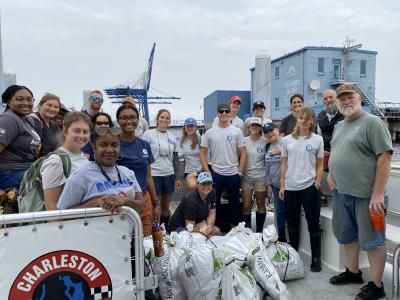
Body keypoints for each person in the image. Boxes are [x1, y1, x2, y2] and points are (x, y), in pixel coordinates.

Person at [327, 84, 392, 300]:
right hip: (341, 193)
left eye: (350, 97)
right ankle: (353, 272)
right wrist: (331, 174)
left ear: (359, 99)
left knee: (373, 240)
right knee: (347, 236)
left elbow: (385, 157)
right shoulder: (339, 126)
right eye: (342, 98)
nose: (346, 102)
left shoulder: (372, 123)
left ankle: (376, 284)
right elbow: (337, 151)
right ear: (337, 102)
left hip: (367, 196)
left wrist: (378, 193)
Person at [57, 126, 144, 216]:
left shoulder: (128, 172)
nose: (110, 150)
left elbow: (141, 207)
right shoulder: (80, 175)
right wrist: (98, 202)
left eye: (115, 145)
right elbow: (63, 214)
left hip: (126, 229)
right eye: (103, 145)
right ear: (94, 148)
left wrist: (124, 200)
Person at [279, 107, 324, 272]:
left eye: (307, 119)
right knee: (292, 224)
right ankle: (294, 256)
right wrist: (282, 184)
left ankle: (316, 259)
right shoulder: (287, 140)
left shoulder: (317, 140)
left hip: (309, 187)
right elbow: (284, 163)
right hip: (291, 187)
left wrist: (318, 183)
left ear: (312, 121)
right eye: (301, 118)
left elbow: (320, 165)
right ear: (297, 119)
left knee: (313, 224)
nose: (304, 121)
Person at [200, 103, 246, 227]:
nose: (224, 113)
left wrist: (240, 172)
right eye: (221, 111)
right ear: (217, 114)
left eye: (226, 111)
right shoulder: (209, 133)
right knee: (215, 205)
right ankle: (217, 228)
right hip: (216, 174)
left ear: (230, 114)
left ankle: (235, 229)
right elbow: (202, 153)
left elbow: (243, 152)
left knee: (234, 204)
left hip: (233, 174)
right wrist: (208, 173)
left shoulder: (237, 131)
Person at [116, 104, 158, 237]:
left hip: (144, 199)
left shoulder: (144, 144)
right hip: (122, 200)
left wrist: (155, 203)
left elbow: (148, 177)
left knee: (145, 239)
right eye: (124, 118)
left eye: (133, 117)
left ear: (138, 120)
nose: (129, 121)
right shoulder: (113, 145)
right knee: (123, 240)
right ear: (118, 121)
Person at [0, 85, 41, 207]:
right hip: (9, 173)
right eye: (19, 99)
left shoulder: (28, 120)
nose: (26, 103)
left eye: (29, 99)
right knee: (53, 181)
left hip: (27, 170)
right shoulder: (8, 119)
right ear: (8, 101)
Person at [41, 112, 91, 210]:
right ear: (65, 132)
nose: (81, 136)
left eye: (85, 132)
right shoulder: (55, 161)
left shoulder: (84, 158)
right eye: (77, 131)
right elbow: (51, 207)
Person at [142, 109, 181, 228]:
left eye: (167, 118)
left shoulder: (173, 137)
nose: (164, 120)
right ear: (157, 119)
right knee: (155, 206)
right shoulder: (148, 134)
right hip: (154, 175)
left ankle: (166, 231)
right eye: (162, 117)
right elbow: (143, 155)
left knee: (165, 206)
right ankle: (154, 231)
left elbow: (175, 158)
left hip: (169, 174)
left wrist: (177, 177)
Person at [168, 172, 220, 236]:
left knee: (216, 231)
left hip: (196, 224)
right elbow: (190, 228)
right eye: (203, 184)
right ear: (197, 185)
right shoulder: (191, 200)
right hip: (179, 228)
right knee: (205, 235)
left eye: (209, 184)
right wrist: (204, 228)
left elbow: (212, 212)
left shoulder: (212, 192)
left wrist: (210, 225)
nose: (206, 186)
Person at [241, 117, 267, 232]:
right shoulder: (243, 140)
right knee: (246, 205)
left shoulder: (265, 141)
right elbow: (238, 157)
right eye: (253, 125)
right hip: (246, 176)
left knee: (261, 203)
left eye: (257, 125)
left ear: (260, 127)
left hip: (261, 176)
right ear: (249, 127)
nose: (255, 127)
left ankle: (259, 231)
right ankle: (247, 232)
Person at [264, 122, 286, 242]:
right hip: (275, 186)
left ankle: (293, 242)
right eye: (266, 132)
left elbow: (295, 152)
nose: (269, 133)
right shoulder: (267, 147)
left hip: (289, 186)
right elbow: (266, 167)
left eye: (272, 130)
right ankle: (282, 239)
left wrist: (281, 150)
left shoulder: (286, 141)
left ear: (277, 130)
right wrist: (268, 184)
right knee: (280, 213)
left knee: (292, 214)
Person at [180, 117, 202, 191]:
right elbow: (182, 154)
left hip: (201, 170)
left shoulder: (200, 139)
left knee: (203, 191)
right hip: (189, 171)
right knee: (193, 187)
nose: (190, 128)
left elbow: (206, 157)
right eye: (188, 126)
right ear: (185, 128)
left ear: (196, 127)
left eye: (192, 126)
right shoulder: (182, 140)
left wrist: (197, 172)